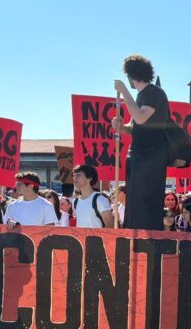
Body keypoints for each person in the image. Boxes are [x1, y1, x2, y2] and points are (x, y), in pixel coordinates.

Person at [111, 54, 170, 230]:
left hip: (151, 157)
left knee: (145, 204)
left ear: (131, 75)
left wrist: (124, 91)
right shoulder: (141, 96)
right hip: (137, 156)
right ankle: (133, 233)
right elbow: (135, 126)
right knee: (134, 202)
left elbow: (141, 117)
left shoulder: (154, 93)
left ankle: (147, 237)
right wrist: (122, 127)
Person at [72, 164, 114, 228]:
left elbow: (110, 226)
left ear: (89, 178)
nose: (74, 178)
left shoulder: (100, 199)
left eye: (78, 175)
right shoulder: (75, 201)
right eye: (74, 175)